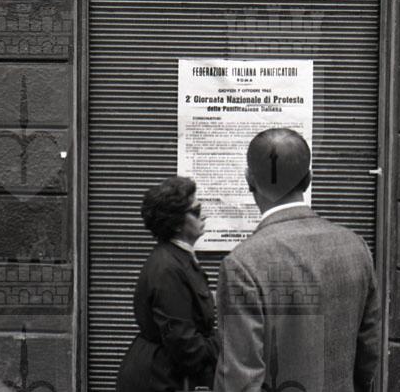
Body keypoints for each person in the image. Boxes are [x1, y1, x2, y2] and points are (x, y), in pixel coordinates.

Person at [214, 128, 380, 392]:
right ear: (309, 178)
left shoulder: (242, 265)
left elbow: (239, 379)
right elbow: (369, 350)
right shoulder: (356, 248)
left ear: (249, 179)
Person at [117, 176, 218, 392]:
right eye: (196, 211)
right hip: (159, 381)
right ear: (176, 222)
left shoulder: (178, 259)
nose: (204, 215)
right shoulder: (168, 269)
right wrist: (228, 342)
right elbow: (186, 348)